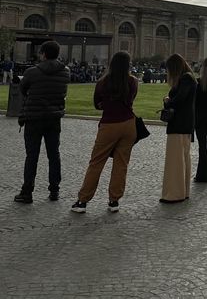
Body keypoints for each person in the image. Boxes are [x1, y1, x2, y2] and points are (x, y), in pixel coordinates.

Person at [71, 51, 138, 214]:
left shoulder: (103, 82)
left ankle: (83, 201)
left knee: (96, 162)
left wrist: (107, 104)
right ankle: (114, 200)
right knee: (121, 164)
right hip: (129, 124)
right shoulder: (133, 81)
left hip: (109, 124)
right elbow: (131, 99)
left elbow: (97, 104)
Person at [14, 41, 70, 203]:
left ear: (43, 54)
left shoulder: (32, 72)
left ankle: (27, 191)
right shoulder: (65, 72)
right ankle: (54, 190)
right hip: (53, 117)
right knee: (54, 155)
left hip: (34, 117)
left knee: (32, 156)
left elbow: (23, 89)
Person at [160, 53, 197, 203]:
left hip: (179, 124)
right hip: (185, 123)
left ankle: (174, 193)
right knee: (183, 158)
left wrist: (168, 101)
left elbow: (180, 99)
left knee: (175, 160)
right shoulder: (188, 78)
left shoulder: (185, 79)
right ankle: (182, 191)